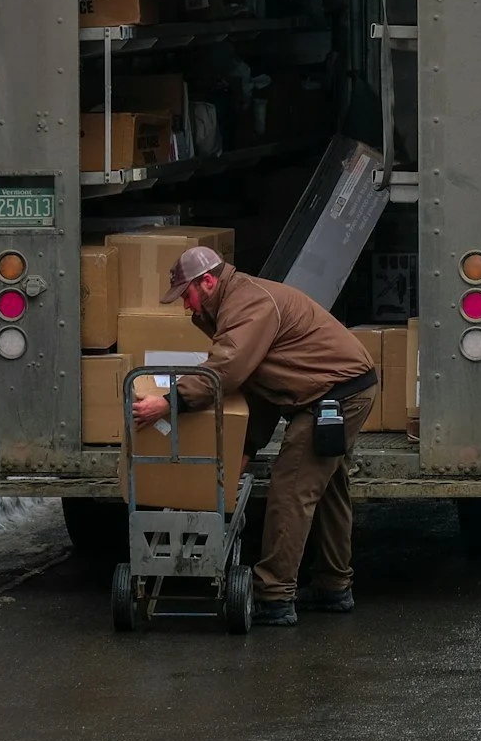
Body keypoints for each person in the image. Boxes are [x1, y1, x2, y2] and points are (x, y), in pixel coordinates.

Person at [127, 246, 377, 627]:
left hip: (335, 395)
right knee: (327, 488)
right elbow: (262, 387)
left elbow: (226, 370)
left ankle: (274, 596)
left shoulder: (247, 304)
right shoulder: (235, 301)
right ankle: (332, 586)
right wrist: (246, 447)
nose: (185, 307)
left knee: (291, 488)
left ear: (207, 282)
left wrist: (169, 402)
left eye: (187, 296)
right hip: (334, 390)